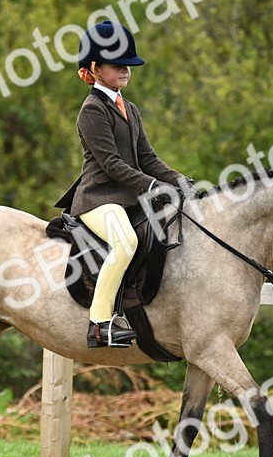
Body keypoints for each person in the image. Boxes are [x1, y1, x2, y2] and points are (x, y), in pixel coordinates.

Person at [54, 21, 196, 348]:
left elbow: (147, 157)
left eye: (129, 66)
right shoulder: (92, 110)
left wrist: (178, 180)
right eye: (118, 65)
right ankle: (99, 324)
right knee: (126, 242)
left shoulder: (128, 107)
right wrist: (153, 188)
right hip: (98, 199)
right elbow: (112, 165)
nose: (126, 71)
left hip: (127, 199)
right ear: (94, 69)